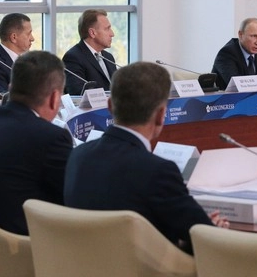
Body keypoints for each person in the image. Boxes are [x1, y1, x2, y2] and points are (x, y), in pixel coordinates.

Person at [64, 61, 228, 253]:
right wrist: (212, 229)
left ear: (110, 107)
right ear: (161, 115)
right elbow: (203, 236)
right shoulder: (157, 171)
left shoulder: (77, 156)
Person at [0, 51, 73, 235]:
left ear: (11, 88)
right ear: (54, 98)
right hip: (17, 245)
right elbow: (72, 198)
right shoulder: (51, 137)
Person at [62, 9, 118, 94]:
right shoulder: (73, 57)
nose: (112, 34)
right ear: (92, 33)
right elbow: (77, 94)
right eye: (107, 29)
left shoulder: (108, 57)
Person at [0, 13, 35, 92]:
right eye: (28, 34)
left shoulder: (28, 60)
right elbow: (3, 96)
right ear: (14, 37)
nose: (32, 38)